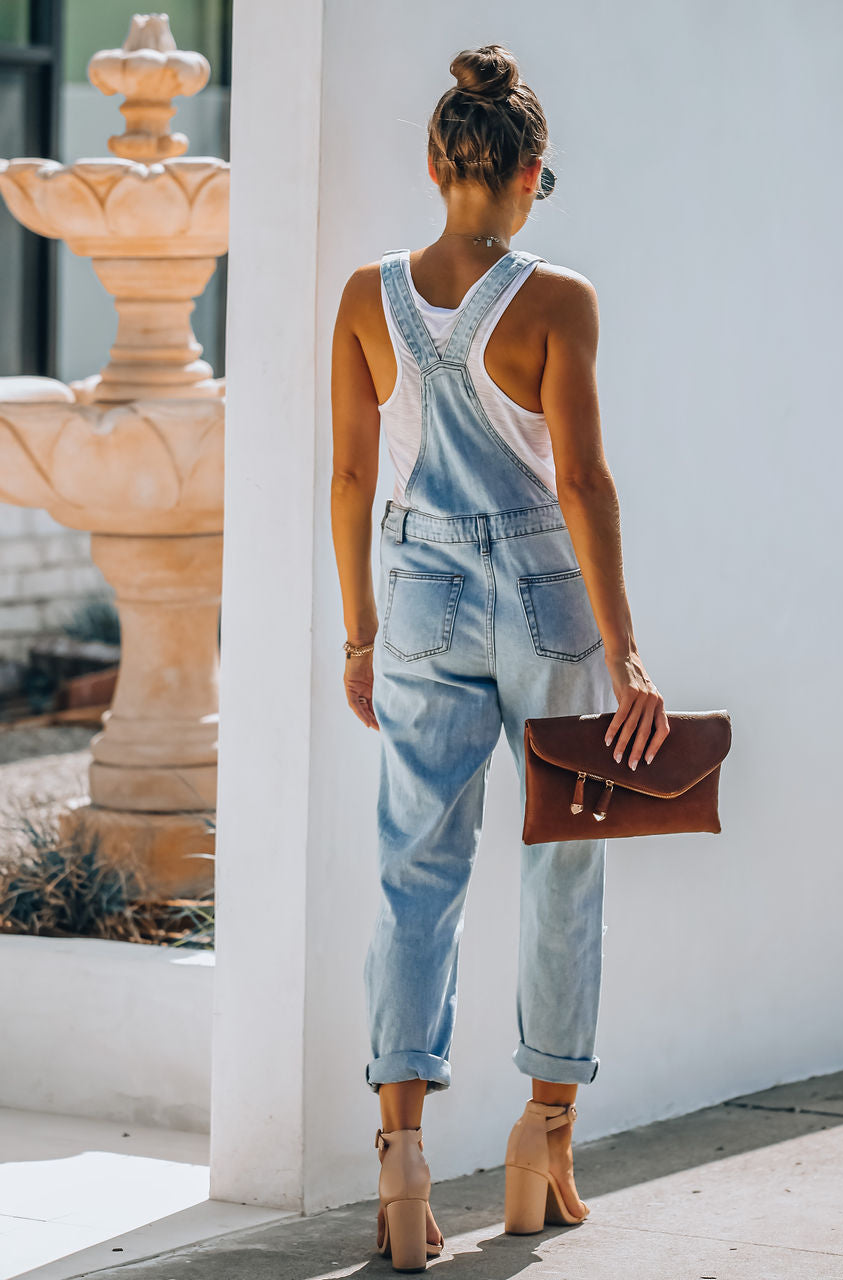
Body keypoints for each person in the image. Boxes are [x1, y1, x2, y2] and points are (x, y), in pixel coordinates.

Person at [330, 42, 669, 1272]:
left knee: (415, 872)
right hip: (543, 594)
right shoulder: (559, 299)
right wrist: (625, 652)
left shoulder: (368, 298)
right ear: (531, 175)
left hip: (414, 587)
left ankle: (402, 1159)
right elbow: (579, 479)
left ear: (436, 164)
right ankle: (542, 1142)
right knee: (563, 863)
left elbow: (352, 474)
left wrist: (362, 634)